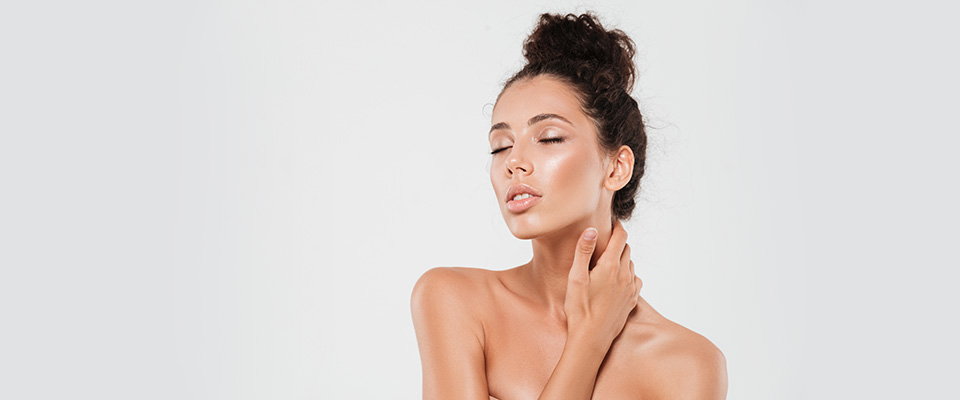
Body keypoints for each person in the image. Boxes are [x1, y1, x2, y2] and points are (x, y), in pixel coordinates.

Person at [411, 12, 728, 400]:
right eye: (501, 145)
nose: (514, 161)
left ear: (616, 167)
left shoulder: (688, 364)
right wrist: (589, 339)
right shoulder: (454, 300)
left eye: (548, 138)